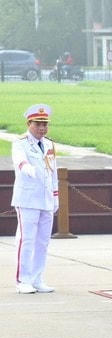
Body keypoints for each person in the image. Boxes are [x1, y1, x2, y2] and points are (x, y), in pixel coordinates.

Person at [11, 104, 58, 294]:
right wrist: (29, 170)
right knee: (26, 240)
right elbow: (20, 162)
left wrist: (56, 197)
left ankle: (37, 278)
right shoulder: (20, 142)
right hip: (28, 198)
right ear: (28, 123)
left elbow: (53, 171)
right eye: (38, 124)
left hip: (46, 198)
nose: (42, 128)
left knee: (43, 241)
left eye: (45, 124)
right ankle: (23, 280)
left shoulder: (49, 144)